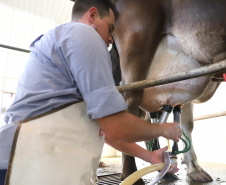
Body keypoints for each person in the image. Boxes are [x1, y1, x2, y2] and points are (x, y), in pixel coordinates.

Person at [1, 0, 182, 184]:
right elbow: (116, 126)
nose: (111, 39)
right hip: (23, 165)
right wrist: (164, 129)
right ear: (93, 15)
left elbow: (107, 131)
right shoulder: (83, 33)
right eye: (110, 29)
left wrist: (149, 156)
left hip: (30, 164)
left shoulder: (62, 48)